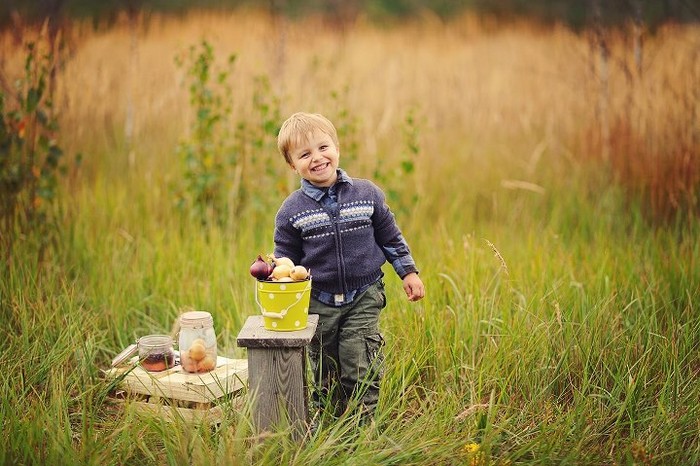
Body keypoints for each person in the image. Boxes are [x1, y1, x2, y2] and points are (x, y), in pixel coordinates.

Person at [273, 112, 425, 425]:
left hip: (363, 296)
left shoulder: (366, 194)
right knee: (325, 371)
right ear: (293, 165)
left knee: (361, 366)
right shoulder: (291, 210)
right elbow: (285, 257)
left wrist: (408, 273)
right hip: (318, 300)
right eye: (304, 154)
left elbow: (389, 236)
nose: (317, 158)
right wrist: (280, 271)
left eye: (323, 147)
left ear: (337, 148)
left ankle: (363, 432)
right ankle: (329, 427)